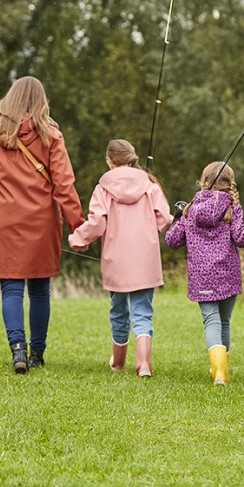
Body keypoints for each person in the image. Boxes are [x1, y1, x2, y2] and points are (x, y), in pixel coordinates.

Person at [0, 76, 85, 374]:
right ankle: (37, 354)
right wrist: (78, 224)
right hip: (41, 222)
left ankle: (17, 350)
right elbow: (64, 184)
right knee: (40, 290)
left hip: (3, 222)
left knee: (11, 290)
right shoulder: (51, 136)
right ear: (41, 101)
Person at [164, 162, 244, 385]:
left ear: (203, 182)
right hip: (228, 272)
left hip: (202, 276)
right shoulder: (232, 207)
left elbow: (172, 240)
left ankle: (219, 372)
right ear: (229, 183)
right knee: (224, 321)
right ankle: (221, 371)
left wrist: (178, 217)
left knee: (211, 321)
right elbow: (242, 237)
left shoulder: (190, 210)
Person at [68, 139, 172, 378]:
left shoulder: (103, 188)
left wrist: (78, 239)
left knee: (118, 310)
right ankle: (144, 364)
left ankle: (118, 362)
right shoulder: (149, 186)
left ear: (109, 161)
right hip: (145, 258)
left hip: (116, 259)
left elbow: (97, 222)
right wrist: (149, 230)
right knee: (143, 310)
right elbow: (165, 217)